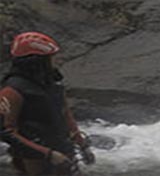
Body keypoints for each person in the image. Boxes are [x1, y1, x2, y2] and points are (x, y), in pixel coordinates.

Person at [0, 32, 95, 176]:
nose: (57, 60)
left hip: (63, 152)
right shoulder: (12, 90)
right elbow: (6, 132)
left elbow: (65, 114)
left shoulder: (53, 83)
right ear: (36, 61)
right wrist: (48, 154)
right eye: (52, 57)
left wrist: (82, 144)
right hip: (34, 159)